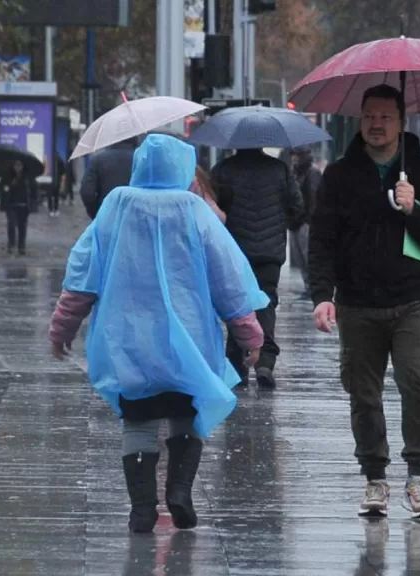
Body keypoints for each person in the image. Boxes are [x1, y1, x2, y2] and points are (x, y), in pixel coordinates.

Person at [47, 134, 268, 534]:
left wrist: (62, 328)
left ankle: (142, 507)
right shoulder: (195, 211)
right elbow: (228, 280)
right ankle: (179, 490)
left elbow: (82, 275)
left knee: (138, 421)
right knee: (185, 415)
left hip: (129, 341)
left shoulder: (115, 207)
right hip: (188, 340)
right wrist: (250, 334)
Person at [308, 84, 420, 519]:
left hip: (413, 299)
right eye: (370, 116)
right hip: (357, 304)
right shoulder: (338, 176)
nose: (377, 124)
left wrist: (415, 210)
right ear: (361, 120)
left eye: (386, 117)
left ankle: (418, 475)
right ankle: (375, 477)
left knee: (418, 382)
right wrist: (323, 296)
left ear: (401, 123)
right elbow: (322, 241)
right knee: (364, 394)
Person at [212, 148, 306, 388]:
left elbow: (213, 208)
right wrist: (280, 223)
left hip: (235, 252)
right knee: (266, 303)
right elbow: (296, 207)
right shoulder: (280, 169)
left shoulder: (224, 169)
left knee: (236, 305)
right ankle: (265, 361)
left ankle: (237, 365)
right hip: (270, 253)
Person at [289, 146, 323, 294]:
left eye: (297, 155)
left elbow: (314, 199)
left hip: (305, 222)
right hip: (296, 222)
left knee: (307, 256)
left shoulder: (312, 172)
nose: (294, 158)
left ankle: (313, 286)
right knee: (300, 258)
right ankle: (308, 285)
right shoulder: (293, 172)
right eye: (293, 155)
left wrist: (308, 220)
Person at [80, 136, 138, 220]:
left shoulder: (98, 160)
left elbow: (87, 192)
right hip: (135, 220)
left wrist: (97, 213)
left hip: (106, 218)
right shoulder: (142, 160)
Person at [0, 160, 37, 256]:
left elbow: (34, 189)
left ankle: (21, 247)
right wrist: (9, 185)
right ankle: (11, 245)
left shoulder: (28, 176)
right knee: (11, 224)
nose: (17, 168)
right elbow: (1, 187)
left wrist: (33, 202)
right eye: (16, 165)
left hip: (24, 205)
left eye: (19, 165)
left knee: (22, 227)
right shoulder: (8, 175)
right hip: (11, 204)